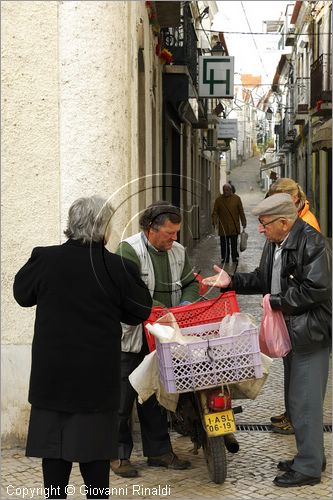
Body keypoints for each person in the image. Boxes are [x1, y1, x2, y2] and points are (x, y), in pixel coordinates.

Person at [13, 195, 152, 499]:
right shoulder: (116, 267)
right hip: (95, 381)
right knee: (95, 456)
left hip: (52, 379)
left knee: (54, 453)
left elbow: (22, 294)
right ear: (104, 228)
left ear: (70, 225)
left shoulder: (45, 259)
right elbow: (140, 310)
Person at [202, 193, 331, 488]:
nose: (260, 229)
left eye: (264, 223)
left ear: (284, 223)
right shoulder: (277, 244)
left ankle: (309, 468)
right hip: (291, 333)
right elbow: (263, 277)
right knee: (295, 400)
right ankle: (309, 456)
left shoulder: (312, 243)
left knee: (305, 402)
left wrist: (275, 301)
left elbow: (317, 290)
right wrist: (231, 282)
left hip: (310, 334)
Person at [112, 200, 199, 478]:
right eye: (169, 233)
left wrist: (185, 304)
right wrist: (151, 311)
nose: (175, 239)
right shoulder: (129, 250)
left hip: (164, 337)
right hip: (133, 336)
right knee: (123, 397)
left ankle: (159, 451)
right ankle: (117, 454)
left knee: (157, 394)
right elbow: (124, 293)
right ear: (151, 229)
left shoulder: (179, 251)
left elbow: (191, 282)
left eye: (177, 233)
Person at [267, 178, 320, 435]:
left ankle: (296, 421)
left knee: (302, 384)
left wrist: (279, 301)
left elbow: (312, 286)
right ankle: (292, 414)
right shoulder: (289, 226)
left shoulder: (306, 228)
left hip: (303, 321)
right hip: (291, 315)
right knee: (292, 372)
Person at [212, 183, 247, 264]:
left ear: (231, 190)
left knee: (234, 243)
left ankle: (235, 257)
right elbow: (215, 212)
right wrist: (214, 221)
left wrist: (243, 222)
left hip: (234, 225)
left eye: (227, 190)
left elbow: (241, 211)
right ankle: (225, 258)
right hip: (223, 226)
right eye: (224, 190)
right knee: (224, 244)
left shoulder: (237, 198)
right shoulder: (219, 200)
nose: (225, 192)